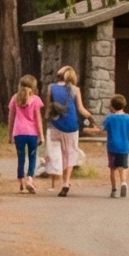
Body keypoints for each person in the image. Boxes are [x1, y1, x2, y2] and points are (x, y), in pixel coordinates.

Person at [44, 65, 84, 197]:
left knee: (55, 151)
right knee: (70, 153)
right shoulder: (75, 90)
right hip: (71, 125)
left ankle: (57, 171)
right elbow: (81, 109)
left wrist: (46, 121)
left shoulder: (51, 88)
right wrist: (91, 118)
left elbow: (48, 109)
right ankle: (66, 183)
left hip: (54, 125)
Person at [8, 74, 45, 194]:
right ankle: (30, 178)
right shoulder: (36, 99)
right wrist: (41, 135)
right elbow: (38, 119)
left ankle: (21, 182)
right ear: (33, 87)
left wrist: (9, 135)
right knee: (32, 156)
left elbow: (11, 118)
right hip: (32, 133)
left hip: (19, 133)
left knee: (21, 157)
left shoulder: (15, 99)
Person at [103, 92, 129, 198]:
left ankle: (113, 189)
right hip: (124, 147)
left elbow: (103, 129)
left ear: (112, 106)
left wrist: (90, 130)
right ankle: (123, 182)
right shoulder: (128, 118)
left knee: (112, 169)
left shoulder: (110, 118)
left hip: (112, 146)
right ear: (124, 104)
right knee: (123, 167)